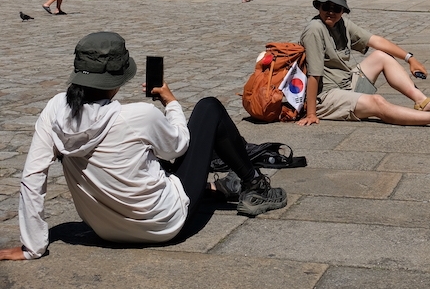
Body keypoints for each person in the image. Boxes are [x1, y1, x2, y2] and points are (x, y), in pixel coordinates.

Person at [0, 32, 287, 263]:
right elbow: (178, 146)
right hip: (164, 224)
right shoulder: (137, 115)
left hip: (104, 229)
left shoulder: (54, 111)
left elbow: (32, 178)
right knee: (208, 108)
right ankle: (255, 185)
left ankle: (218, 189)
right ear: (118, 78)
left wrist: (32, 246)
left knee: (144, 153)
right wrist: (171, 103)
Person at [298, 0, 430, 130]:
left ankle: (424, 102)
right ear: (318, 6)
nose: (331, 12)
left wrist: (410, 58)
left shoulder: (342, 23)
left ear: (343, 11)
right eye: (326, 7)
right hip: (325, 97)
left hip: (346, 83)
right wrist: (311, 113)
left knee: (382, 56)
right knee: (377, 102)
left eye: (337, 8)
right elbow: (314, 75)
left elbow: (376, 41)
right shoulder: (315, 29)